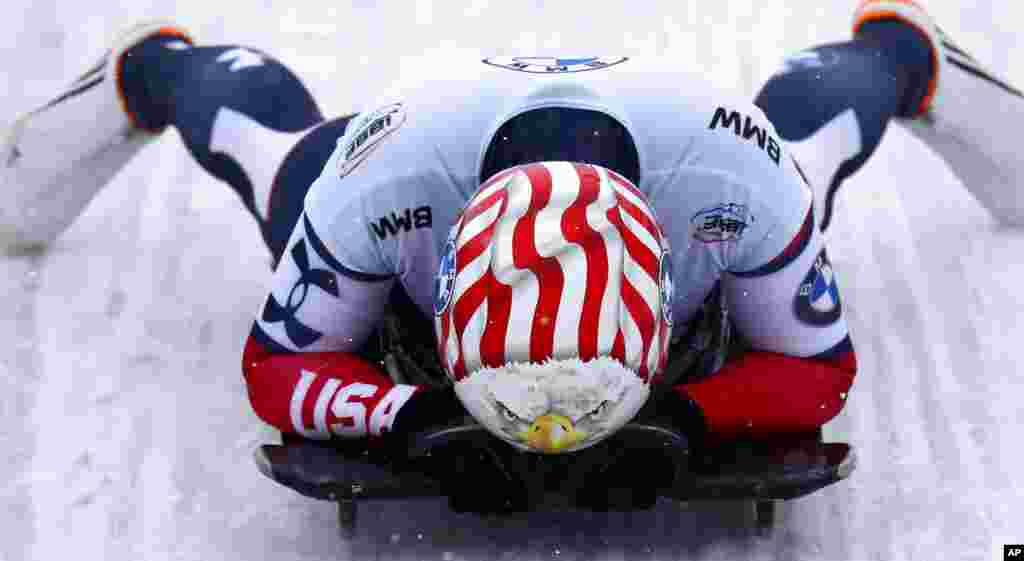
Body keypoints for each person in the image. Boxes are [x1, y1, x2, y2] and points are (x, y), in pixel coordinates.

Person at [3, 1, 1021, 477]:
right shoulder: (373, 191)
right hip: (427, 140)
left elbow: (825, 371)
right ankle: (159, 65)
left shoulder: (738, 182)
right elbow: (275, 361)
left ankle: (901, 50)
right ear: (437, 275)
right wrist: (408, 415)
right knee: (273, 157)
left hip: (677, 140)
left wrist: (683, 413)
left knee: (817, 141)